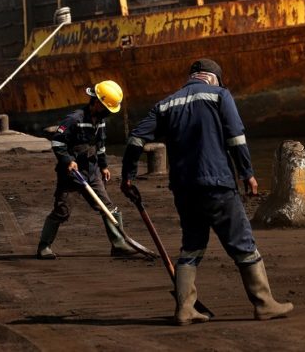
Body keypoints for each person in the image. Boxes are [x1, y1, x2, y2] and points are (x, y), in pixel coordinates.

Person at [120, 59, 293, 324]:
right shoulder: (220, 95)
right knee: (242, 244)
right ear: (213, 78)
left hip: (184, 188)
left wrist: (128, 176)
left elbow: (136, 138)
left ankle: (185, 309)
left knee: (191, 246)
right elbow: (236, 137)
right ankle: (264, 303)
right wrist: (247, 173)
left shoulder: (165, 104)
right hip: (217, 184)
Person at [36, 80, 139, 259]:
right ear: (97, 102)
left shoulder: (100, 122)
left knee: (108, 208)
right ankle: (44, 246)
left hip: (92, 172)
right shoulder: (74, 119)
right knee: (63, 210)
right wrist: (67, 160)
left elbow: (100, 147)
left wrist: (104, 165)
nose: (108, 112)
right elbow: (57, 142)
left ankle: (119, 243)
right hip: (71, 175)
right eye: (107, 107)